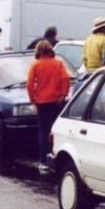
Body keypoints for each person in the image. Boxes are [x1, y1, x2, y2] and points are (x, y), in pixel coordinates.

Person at [26, 40, 71, 171]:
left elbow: (29, 84)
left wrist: (32, 100)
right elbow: (65, 79)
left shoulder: (36, 65)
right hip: (57, 101)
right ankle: (56, 157)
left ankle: (43, 160)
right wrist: (63, 95)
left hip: (42, 102)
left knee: (43, 131)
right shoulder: (58, 64)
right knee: (56, 130)